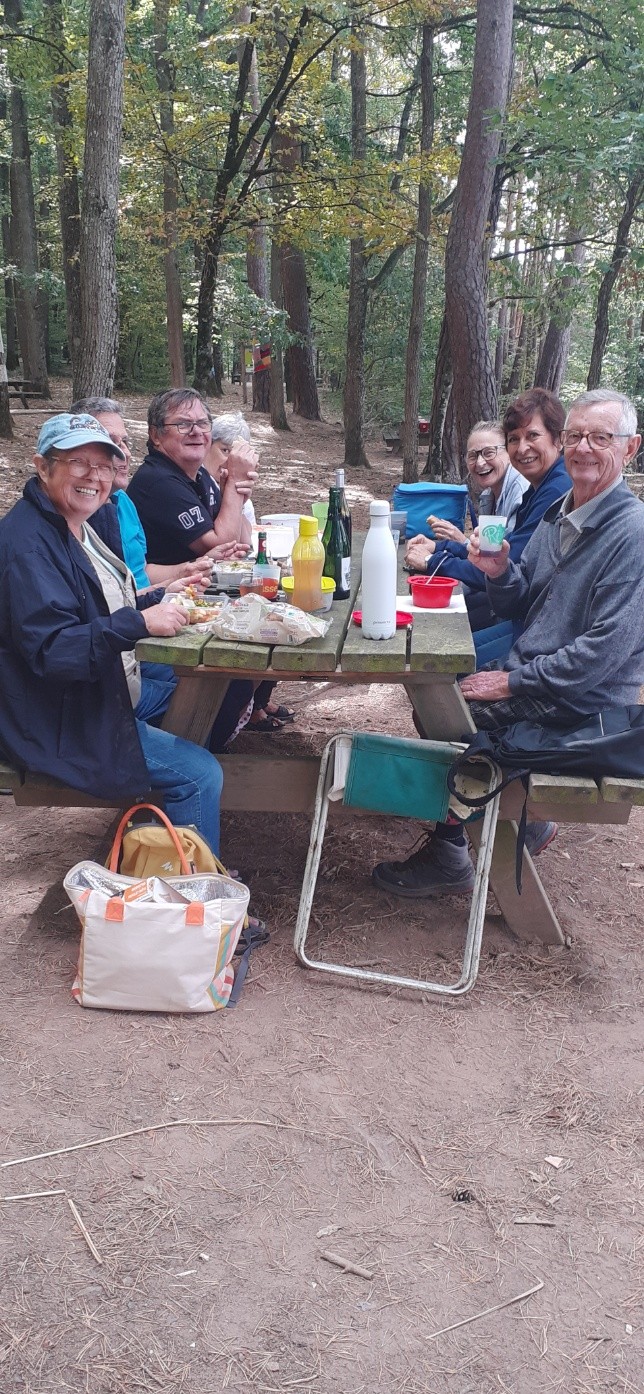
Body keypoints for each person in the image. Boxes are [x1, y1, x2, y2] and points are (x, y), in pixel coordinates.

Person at [373, 389, 643, 898]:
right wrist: (497, 571)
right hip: (543, 677)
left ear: (630, 449)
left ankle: (454, 852)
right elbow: (521, 601)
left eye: (601, 438)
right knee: (433, 688)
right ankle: (520, 822)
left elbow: (603, 653)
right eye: (576, 436)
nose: (584, 448)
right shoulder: (561, 512)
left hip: (583, 706)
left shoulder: (632, 534)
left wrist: (513, 682)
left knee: (449, 712)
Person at [0, 413, 223, 852]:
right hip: (57, 719)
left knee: (199, 688)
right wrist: (139, 622)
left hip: (96, 691)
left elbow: (89, 605)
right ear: (43, 466)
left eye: (103, 465)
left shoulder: (75, 523)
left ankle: (158, 845)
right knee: (200, 774)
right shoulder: (27, 545)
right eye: (77, 462)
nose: (93, 476)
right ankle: (189, 901)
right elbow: (54, 651)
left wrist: (153, 598)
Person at [405, 390, 571, 645]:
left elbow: (506, 565)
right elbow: (493, 556)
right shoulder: (533, 488)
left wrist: (432, 559)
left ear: (558, 440)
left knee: (439, 648)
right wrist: (442, 547)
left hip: (540, 632)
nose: (523, 447)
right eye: (514, 439)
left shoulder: (554, 490)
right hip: (524, 618)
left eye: (533, 436)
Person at [205, 411, 295, 733]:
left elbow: (247, 544)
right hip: (207, 593)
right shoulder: (201, 487)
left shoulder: (223, 486)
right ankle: (229, 723)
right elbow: (224, 542)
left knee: (281, 612)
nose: (230, 462)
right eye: (224, 450)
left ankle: (255, 703)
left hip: (227, 583)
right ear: (206, 446)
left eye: (236, 453)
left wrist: (239, 492)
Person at [71, 396, 216, 591]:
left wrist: (187, 570)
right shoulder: (76, 512)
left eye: (124, 442)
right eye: (110, 443)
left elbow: (140, 570)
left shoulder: (122, 501)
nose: (125, 453)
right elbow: (109, 601)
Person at [127, 388, 258, 564]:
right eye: (183, 424)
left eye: (203, 423)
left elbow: (244, 544)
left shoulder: (199, 474)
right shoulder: (159, 482)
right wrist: (235, 484)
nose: (196, 431)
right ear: (155, 434)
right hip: (165, 589)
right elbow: (223, 546)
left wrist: (236, 496)